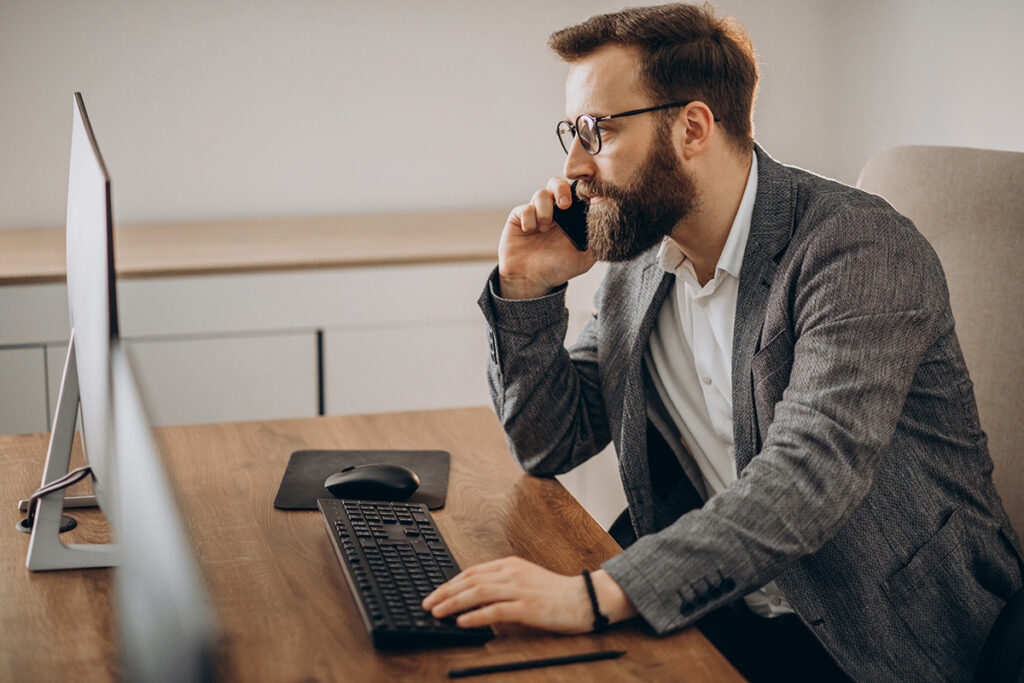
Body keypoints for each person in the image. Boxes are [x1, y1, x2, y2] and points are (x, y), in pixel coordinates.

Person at [421, 3, 1024, 680]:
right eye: (571, 131)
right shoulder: (641, 266)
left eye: (596, 130)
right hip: (721, 600)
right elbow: (548, 440)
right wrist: (526, 289)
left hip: (880, 628)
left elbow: (808, 475)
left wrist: (594, 594)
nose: (573, 166)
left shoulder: (857, 249)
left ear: (693, 127)